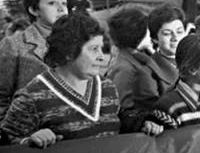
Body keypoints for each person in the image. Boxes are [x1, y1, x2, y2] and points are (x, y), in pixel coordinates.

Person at [0, 14, 119, 146]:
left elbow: (121, 126)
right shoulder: (31, 98)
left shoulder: (107, 87)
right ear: (68, 52)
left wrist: (140, 123)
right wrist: (29, 141)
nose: (101, 57)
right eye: (94, 49)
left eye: (101, 48)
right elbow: (7, 143)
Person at [0, 0, 68, 122]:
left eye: (64, 3)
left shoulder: (78, 42)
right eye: (52, 3)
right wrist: (9, 135)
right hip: (31, 134)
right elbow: (1, 97)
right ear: (34, 10)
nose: (61, 9)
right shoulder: (13, 45)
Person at [106, 6, 165, 136]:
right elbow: (123, 109)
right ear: (137, 33)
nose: (150, 34)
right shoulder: (125, 68)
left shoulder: (138, 58)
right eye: (147, 30)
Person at [147, 4, 187, 93]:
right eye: (167, 33)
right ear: (155, 39)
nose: (175, 37)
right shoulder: (148, 70)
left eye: (179, 31)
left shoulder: (198, 61)